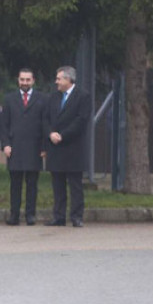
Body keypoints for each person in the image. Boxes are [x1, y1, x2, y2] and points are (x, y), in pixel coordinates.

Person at [44, 66, 91, 227]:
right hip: (55, 148)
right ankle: (58, 216)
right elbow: (45, 119)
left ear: (68, 79)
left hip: (73, 148)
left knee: (75, 186)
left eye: (59, 79)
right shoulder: (53, 97)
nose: (56, 81)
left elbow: (81, 120)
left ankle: (77, 216)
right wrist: (51, 133)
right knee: (57, 185)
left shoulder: (83, 96)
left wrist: (62, 135)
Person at [0, 68, 47, 226]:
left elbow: (45, 125)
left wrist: (44, 147)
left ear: (33, 80)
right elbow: (4, 125)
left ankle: (30, 215)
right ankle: (14, 215)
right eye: (22, 80)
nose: (25, 83)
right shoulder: (9, 99)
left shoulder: (42, 99)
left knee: (32, 184)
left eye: (28, 80)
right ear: (18, 80)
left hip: (35, 148)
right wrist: (6, 144)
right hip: (15, 147)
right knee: (15, 184)